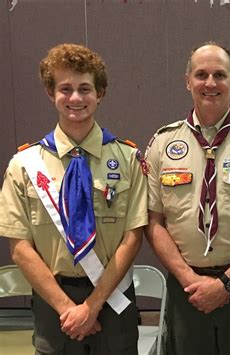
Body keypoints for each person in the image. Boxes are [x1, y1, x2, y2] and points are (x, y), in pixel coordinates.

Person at [0, 44, 148, 354]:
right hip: (53, 303)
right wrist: (69, 308)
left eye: (85, 88)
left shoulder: (128, 159)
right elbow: (20, 247)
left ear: (100, 93)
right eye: (65, 89)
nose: (76, 98)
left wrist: (92, 306)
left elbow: (132, 238)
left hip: (112, 297)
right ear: (50, 93)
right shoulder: (23, 165)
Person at [145, 42, 230, 355]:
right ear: (187, 81)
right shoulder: (162, 143)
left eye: (219, 74)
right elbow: (153, 223)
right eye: (201, 74)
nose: (210, 83)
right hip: (186, 286)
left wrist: (227, 284)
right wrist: (189, 278)